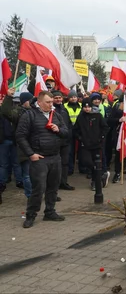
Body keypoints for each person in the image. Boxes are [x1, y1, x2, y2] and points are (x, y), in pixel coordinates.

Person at [16, 91, 69, 228]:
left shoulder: (56, 115)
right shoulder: (29, 115)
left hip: (55, 157)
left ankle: (50, 212)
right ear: (39, 102)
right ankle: (31, 215)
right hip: (39, 158)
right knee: (39, 188)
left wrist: (59, 130)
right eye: (48, 102)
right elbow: (20, 136)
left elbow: (66, 132)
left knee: (53, 187)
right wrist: (30, 154)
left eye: (52, 102)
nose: (51, 104)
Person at [1, 90, 34, 202]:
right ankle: (30, 196)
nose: (32, 102)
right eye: (30, 100)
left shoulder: (36, 111)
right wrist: (8, 97)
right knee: (26, 173)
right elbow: (5, 112)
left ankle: (38, 194)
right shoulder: (19, 113)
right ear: (24, 102)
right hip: (22, 146)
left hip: (36, 147)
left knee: (34, 173)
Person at [73, 98, 110, 190]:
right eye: (85, 107)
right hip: (85, 145)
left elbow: (105, 127)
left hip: (97, 144)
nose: (87, 109)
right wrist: (80, 138)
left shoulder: (97, 116)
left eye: (89, 106)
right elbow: (75, 130)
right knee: (87, 162)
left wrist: (101, 137)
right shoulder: (80, 117)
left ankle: (95, 181)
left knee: (97, 162)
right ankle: (101, 175)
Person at [52, 91, 75, 191]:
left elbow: (68, 124)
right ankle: (54, 185)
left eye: (59, 98)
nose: (58, 99)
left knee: (65, 163)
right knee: (54, 165)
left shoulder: (64, 109)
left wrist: (69, 134)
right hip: (54, 141)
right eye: (56, 97)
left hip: (65, 141)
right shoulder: (50, 109)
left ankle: (63, 182)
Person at [64, 90, 82, 175]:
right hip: (69, 129)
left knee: (81, 150)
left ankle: (82, 168)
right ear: (68, 98)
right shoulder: (64, 106)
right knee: (70, 151)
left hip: (79, 130)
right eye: (71, 97)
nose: (73, 98)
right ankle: (70, 169)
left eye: (75, 97)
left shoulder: (81, 106)